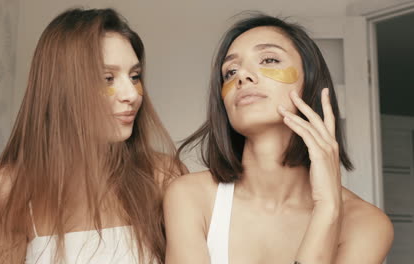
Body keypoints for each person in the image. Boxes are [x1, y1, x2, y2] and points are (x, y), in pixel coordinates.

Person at [164, 14, 393, 264]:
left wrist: (327, 209)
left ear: (311, 82)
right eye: (230, 71)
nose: (242, 77)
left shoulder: (366, 224)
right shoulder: (189, 196)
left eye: (269, 59)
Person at [0, 8, 183, 264]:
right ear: (63, 87)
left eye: (134, 76)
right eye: (107, 78)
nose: (133, 94)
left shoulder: (163, 178)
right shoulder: (8, 189)